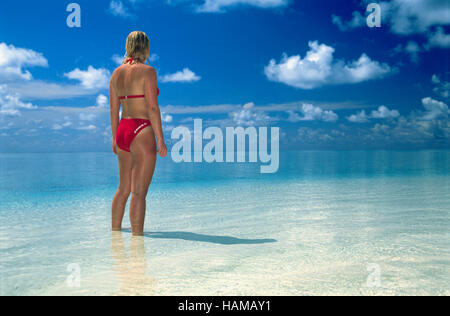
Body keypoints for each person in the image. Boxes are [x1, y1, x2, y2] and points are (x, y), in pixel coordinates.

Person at [109, 31, 167, 236]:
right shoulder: (148, 71)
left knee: (123, 189)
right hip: (142, 129)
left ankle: (115, 235)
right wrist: (160, 139)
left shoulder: (116, 74)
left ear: (128, 46)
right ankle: (137, 241)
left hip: (123, 130)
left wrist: (115, 138)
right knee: (139, 192)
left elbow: (114, 109)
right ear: (145, 48)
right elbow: (152, 108)